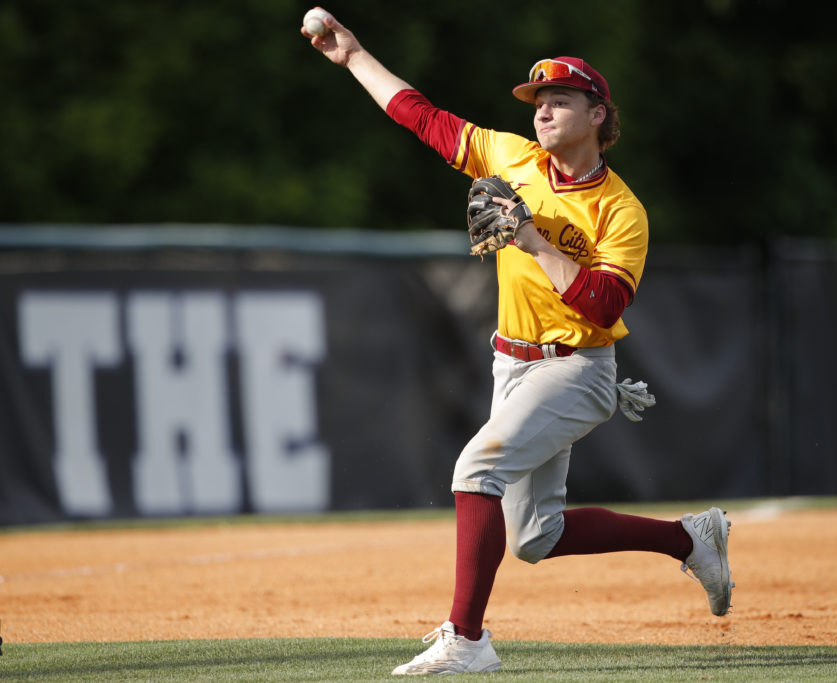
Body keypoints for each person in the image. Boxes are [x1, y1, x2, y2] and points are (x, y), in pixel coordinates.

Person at [302, 8, 734, 676]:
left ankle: (467, 638)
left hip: (578, 369)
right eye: (538, 101)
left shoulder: (621, 210)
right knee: (536, 535)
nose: (543, 110)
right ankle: (689, 536)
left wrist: (531, 240)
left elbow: (605, 303)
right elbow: (421, 116)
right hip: (513, 362)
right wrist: (354, 55)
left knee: (474, 469)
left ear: (599, 116)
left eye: (560, 100)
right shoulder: (513, 157)